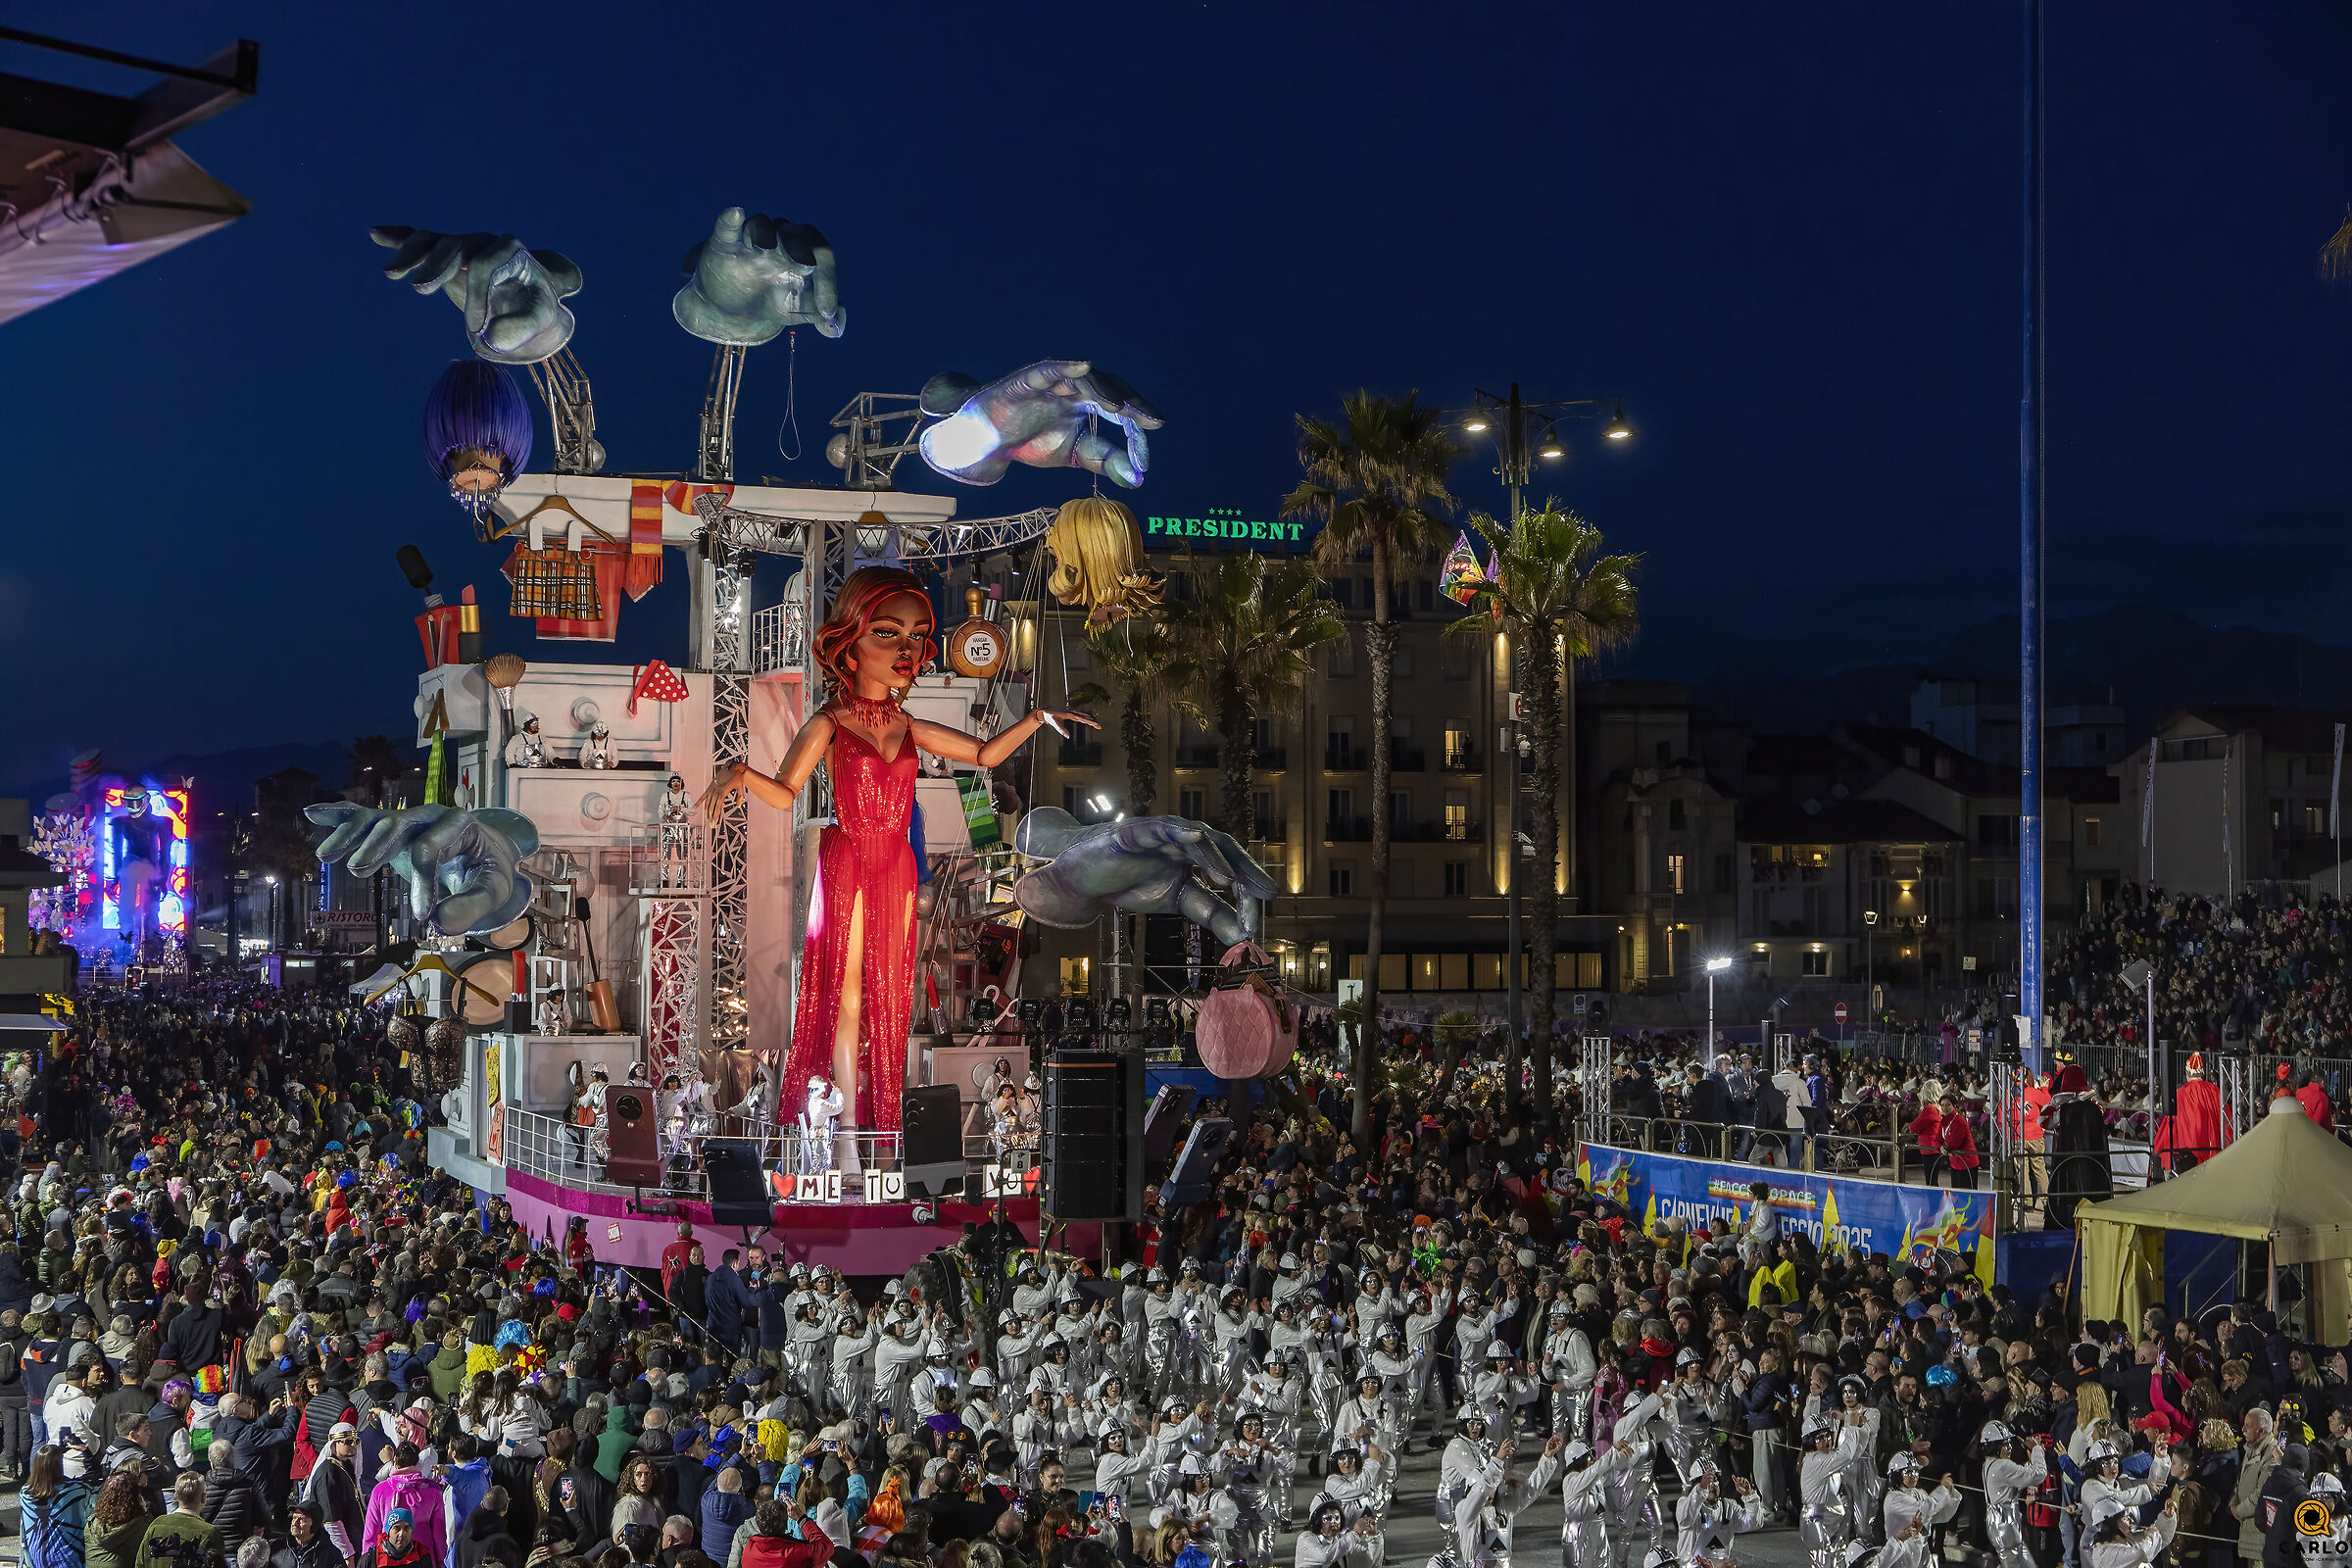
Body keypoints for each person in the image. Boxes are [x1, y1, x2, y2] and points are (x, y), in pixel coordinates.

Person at [703, 564, 1096, 1134]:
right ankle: (844, 1134)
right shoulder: (830, 723)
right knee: (849, 999)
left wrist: (1035, 718)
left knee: (891, 1008)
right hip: (849, 858)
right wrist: (739, 772)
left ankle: (878, 1129)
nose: (907, 649)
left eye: (915, 636)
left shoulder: (910, 727)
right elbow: (786, 792)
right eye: (888, 633)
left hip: (897, 866)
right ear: (850, 644)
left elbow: (985, 755)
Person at [24, 1443, 95, 1568]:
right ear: (59, 1466)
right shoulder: (77, 1492)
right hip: (69, 1562)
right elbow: (95, 1478)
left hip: (36, 1562)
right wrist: (86, 1452)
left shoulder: (25, 1494)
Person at [135, 1475, 223, 1568]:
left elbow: (140, 1563)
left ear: (176, 1495)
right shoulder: (209, 1533)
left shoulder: (156, 1525)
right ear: (204, 1498)